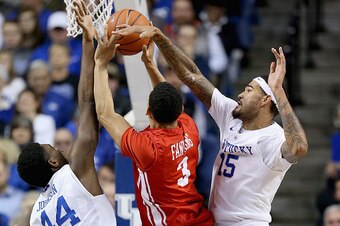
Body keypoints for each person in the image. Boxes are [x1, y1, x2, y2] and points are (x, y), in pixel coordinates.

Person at [114, 24, 308, 225]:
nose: (241, 94)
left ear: (265, 100)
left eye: (249, 90)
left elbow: (299, 147)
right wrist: (161, 39)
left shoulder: (273, 139)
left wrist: (279, 92)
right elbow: (193, 76)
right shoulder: (231, 114)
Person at [93, 28, 214, 225]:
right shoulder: (188, 126)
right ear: (179, 109)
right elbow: (168, 95)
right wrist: (150, 64)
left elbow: (105, 114)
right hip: (200, 219)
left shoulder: (148, 148)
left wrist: (100, 64)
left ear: (148, 111)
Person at [16, 1, 116, 225]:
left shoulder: (36, 216)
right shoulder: (73, 173)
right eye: (52, 149)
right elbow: (87, 102)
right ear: (52, 163)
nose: (59, 148)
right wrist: (88, 41)